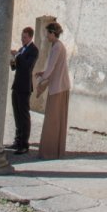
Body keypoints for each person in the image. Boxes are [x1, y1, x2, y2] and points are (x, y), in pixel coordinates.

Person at [35, 21, 70, 159]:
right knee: (56, 119)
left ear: (52, 33)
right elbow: (53, 67)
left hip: (58, 87)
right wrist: (43, 73)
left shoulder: (57, 47)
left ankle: (49, 151)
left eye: (47, 33)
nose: (46, 36)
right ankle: (55, 151)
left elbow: (51, 67)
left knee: (53, 120)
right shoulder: (58, 46)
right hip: (60, 86)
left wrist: (42, 76)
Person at [10, 26, 39, 154]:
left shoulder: (34, 50)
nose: (22, 39)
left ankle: (24, 144)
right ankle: (17, 140)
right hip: (16, 85)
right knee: (17, 114)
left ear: (31, 37)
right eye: (22, 37)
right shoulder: (22, 49)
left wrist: (18, 55)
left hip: (25, 86)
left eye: (25, 37)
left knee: (24, 115)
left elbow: (28, 66)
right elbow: (15, 68)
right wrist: (12, 60)